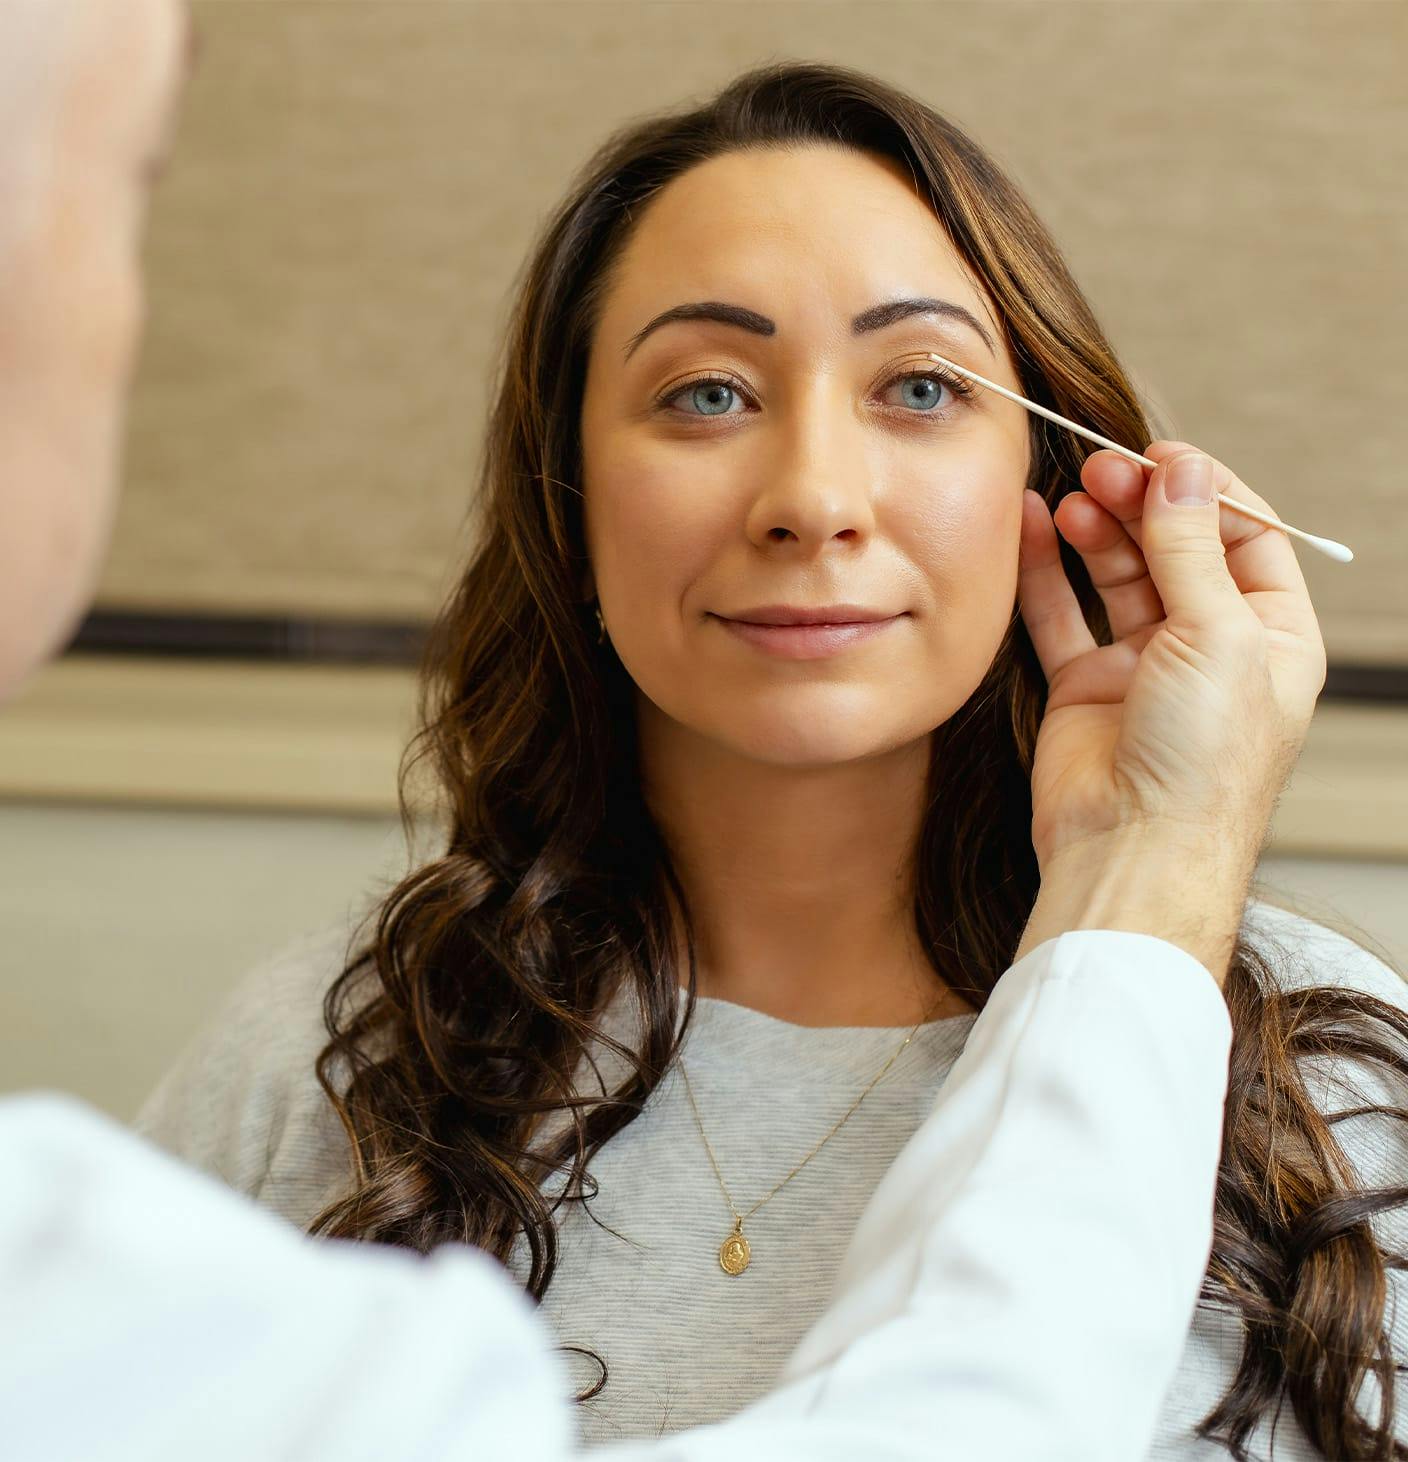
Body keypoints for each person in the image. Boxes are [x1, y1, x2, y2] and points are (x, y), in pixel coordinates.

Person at [0, 5, 1392, 1460]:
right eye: (706, 393)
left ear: (1050, 482)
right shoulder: (321, 1066)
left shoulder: (1331, 1095)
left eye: (920, 387)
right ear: (571, 503)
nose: (813, 495)